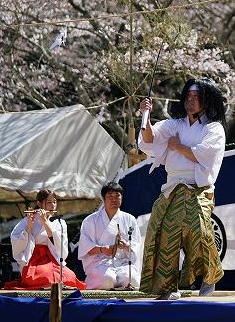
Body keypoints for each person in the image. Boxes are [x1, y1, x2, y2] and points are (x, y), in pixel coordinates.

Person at [138, 78, 226, 299]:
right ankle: (167, 287)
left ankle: (209, 276)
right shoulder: (174, 125)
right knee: (164, 233)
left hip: (199, 189)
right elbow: (149, 139)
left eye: (196, 98)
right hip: (173, 186)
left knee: (200, 230)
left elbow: (204, 154)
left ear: (206, 102)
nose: (191, 101)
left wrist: (178, 147)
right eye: (188, 97)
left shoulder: (213, 128)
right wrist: (145, 116)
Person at [4, 189, 86, 290]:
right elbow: (16, 240)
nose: (53, 206)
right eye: (49, 202)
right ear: (39, 203)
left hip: (52, 257)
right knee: (45, 277)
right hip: (33, 258)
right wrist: (29, 225)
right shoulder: (28, 219)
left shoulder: (59, 222)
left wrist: (45, 222)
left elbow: (60, 246)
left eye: (55, 202)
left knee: (69, 277)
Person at [78, 181, 142, 290]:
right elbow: (86, 247)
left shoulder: (129, 219)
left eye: (117, 195)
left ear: (121, 198)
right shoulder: (90, 220)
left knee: (132, 279)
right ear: (103, 199)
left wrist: (125, 245)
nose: (114, 199)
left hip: (122, 262)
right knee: (108, 279)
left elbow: (136, 244)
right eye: (110, 196)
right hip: (100, 262)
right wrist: (102, 250)